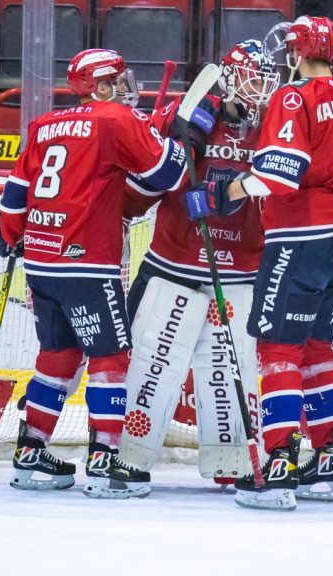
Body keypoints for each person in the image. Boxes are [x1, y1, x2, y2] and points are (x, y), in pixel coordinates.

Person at [182, 15, 333, 511]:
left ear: (297, 53)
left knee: (279, 350)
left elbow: (280, 175)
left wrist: (223, 193)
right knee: (318, 346)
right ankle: (330, 458)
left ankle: (279, 463)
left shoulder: (292, 97)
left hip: (302, 239)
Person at [0, 48, 189, 498]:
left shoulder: (44, 124)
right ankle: (104, 459)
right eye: (118, 80)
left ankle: (30, 450)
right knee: (110, 359)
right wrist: (172, 139)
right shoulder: (116, 120)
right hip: (88, 263)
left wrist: (8, 234)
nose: (125, 87)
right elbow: (166, 175)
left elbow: (16, 190)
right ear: (100, 85)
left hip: (41, 262)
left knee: (58, 356)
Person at [116, 39, 279, 487]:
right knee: (151, 363)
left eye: (266, 81)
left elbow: (284, 180)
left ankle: (234, 461)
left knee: (231, 370)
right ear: (229, 78)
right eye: (252, 79)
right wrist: (176, 139)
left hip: (242, 268)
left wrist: (227, 194)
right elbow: (152, 170)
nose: (260, 89)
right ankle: (128, 456)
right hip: (175, 259)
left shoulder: (275, 125)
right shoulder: (189, 113)